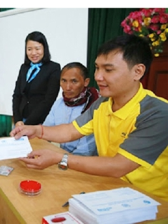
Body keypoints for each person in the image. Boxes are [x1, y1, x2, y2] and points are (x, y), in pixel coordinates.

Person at [12, 35, 168, 197]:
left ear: (138, 71)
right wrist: (37, 131)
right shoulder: (103, 103)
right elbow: (71, 130)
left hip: (151, 201)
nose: (98, 77)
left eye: (108, 70)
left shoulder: (157, 112)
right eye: (97, 68)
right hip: (109, 187)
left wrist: (59, 158)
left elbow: (118, 166)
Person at [41, 62, 98, 157]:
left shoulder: (93, 105)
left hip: (85, 161)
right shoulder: (59, 103)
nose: (67, 87)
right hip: (63, 157)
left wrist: (62, 160)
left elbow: (86, 150)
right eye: (63, 81)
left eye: (74, 81)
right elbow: (46, 130)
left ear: (86, 82)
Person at [12, 31, 61, 127]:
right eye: (29, 49)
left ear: (44, 48)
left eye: (37, 49)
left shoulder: (53, 68)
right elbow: (17, 95)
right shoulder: (24, 67)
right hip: (21, 121)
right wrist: (18, 120)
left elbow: (49, 100)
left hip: (40, 122)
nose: (33, 53)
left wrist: (27, 124)